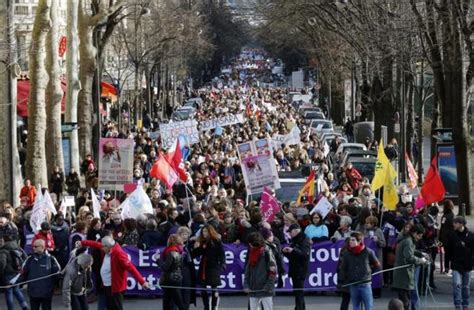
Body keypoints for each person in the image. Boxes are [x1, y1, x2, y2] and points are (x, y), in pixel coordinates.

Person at [77, 236, 149, 310]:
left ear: (108, 247)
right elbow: (95, 244)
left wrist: (142, 282)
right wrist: (82, 243)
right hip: (108, 286)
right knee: (110, 307)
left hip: (116, 288)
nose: (101, 248)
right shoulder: (107, 247)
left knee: (116, 307)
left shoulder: (119, 254)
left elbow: (131, 268)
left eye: (103, 247)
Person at [338, 231, 380, 310]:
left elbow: (377, 265)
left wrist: (369, 273)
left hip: (365, 284)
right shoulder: (347, 254)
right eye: (350, 240)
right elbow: (343, 269)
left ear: (359, 241)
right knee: (356, 307)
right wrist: (340, 281)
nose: (350, 242)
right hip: (353, 284)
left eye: (353, 240)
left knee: (369, 307)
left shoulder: (368, 252)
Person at [392, 224, 429, 310]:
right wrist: (421, 261)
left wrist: (420, 253)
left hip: (402, 274)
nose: (420, 238)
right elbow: (409, 257)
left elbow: (410, 251)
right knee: (405, 302)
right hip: (403, 275)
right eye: (419, 235)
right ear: (415, 233)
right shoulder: (408, 241)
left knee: (405, 300)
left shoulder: (406, 239)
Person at [19, 239, 61, 310]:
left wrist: (55, 286)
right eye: (33, 246)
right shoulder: (30, 259)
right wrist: (21, 284)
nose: (33, 248)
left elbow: (57, 274)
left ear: (42, 247)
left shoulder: (51, 259)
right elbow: (23, 272)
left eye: (35, 246)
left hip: (46, 293)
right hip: (33, 293)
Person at [193, 224, 225, 310]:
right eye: (203, 231)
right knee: (203, 289)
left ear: (210, 231)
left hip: (214, 266)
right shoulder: (201, 242)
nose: (204, 233)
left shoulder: (216, 241)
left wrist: (222, 264)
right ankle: (206, 306)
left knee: (214, 288)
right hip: (204, 266)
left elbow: (221, 254)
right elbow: (195, 254)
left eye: (206, 231)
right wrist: (196, 248)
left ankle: (214, 306)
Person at [445, 216, 474, 310]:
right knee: (457, 284)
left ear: (461, 224)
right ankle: (457, 304)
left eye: (455, 223)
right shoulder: (452, 235)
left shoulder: (470, 235)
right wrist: (446, 265)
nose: (453, 224)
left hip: (467, 264)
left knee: (465, 286)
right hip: (456, 264)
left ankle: (465, 303)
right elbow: (448, 250)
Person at [243, 232, 277, 310]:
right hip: (252, 288)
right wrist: (246, 285)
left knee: (267, 308)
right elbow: (247, 271)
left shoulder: (267, 252)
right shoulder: (251, 252)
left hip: (265, 288)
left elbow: (273, 271)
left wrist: (268, 285)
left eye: (250, 243)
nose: (249, 245)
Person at [153, 234, 186, 310]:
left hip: (169, 278)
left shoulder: (170, 251)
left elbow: (165, 267)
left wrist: (158, 260)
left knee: (168, 300)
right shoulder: (180, 251)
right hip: (177, 276)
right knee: (177, 300)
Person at [282, 223, 310, 310]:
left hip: (300, 269)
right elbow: (293, 255)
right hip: (295, 268)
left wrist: (293, 250)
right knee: (297, 292)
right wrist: (285, 252)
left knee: (299, 292)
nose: (289, 233)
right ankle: (299, 307)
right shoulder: (295, 240)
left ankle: (299, 308)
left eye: (290, 231)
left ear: (296, 230)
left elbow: (305, 255)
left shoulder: (304, 239)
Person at [0, 234, 29, 310]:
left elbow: (2, 264)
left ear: (5, 241)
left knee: (9, 292)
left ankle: (11, 308)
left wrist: (1, 273)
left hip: (7, 274)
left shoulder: (3, 250)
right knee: (16, 289)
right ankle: (24, 305)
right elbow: (26, 257)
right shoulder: (18, 248)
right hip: (17, 273)